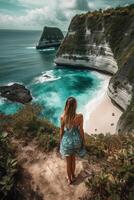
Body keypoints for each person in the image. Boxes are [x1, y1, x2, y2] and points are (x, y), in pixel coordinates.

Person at [59, 97, 86, 185]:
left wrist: (60, 142)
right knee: (73, 159)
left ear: (66, 106)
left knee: (68, 162)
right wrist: (83, 141)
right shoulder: (80, 116)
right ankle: (73, 175)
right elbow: (81, 130)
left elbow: (62, 131)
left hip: (67, 141)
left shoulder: (62, 117)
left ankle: (69, 179)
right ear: (75, 106)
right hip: (76, 140)